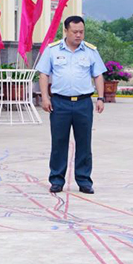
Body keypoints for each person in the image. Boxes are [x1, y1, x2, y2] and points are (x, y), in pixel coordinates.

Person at [36, 15, 106, 195]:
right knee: (59, 142)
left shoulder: (90, 51)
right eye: (74, 32)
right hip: (60, 103)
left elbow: (98, 75)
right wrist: (45, 97)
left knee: (84, 142)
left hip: (83, 103)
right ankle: (57, 180)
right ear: (65, 31)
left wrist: (101, 98)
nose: (78, 35)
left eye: (81, 32)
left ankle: (84, 180)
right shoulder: (52, 50)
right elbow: (43, 74)